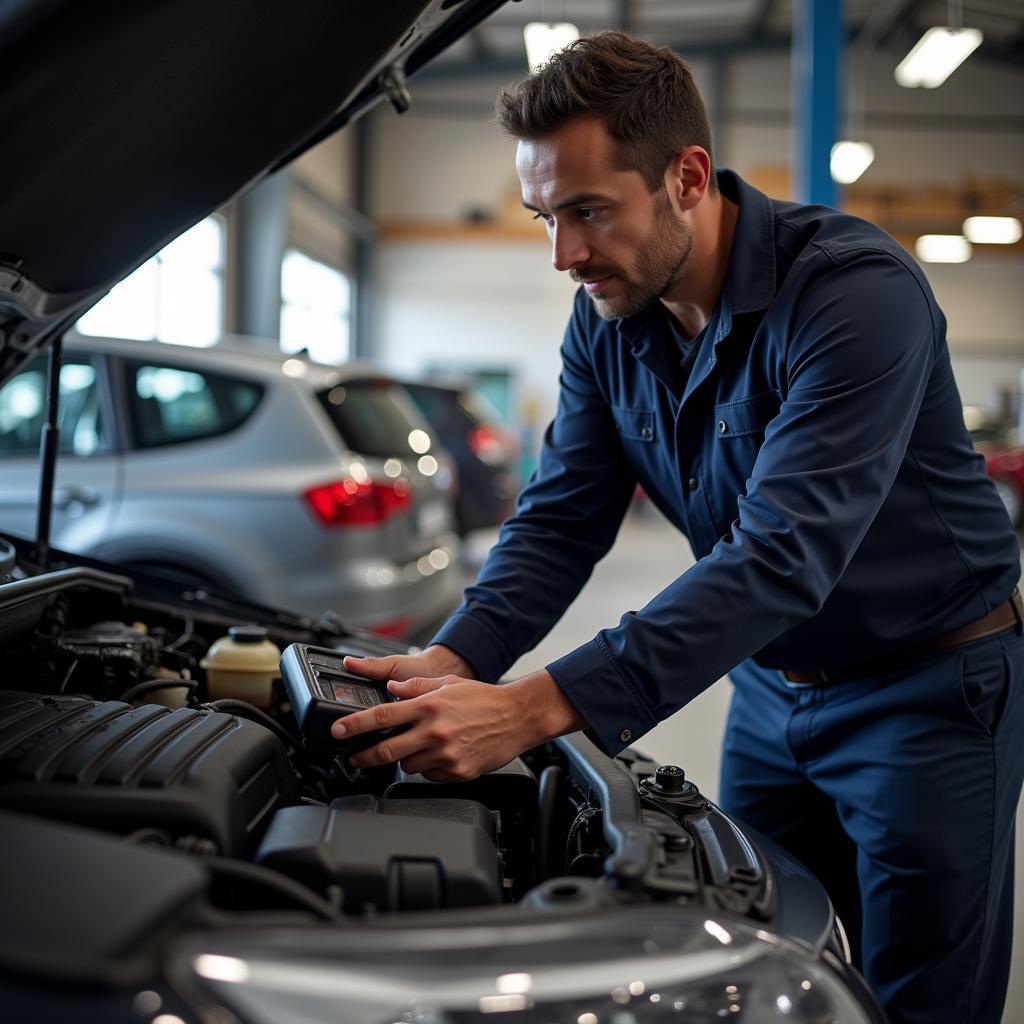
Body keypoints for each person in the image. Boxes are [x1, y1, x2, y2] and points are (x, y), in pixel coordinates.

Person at [332, 31, 1024, 1024]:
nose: (563, 255)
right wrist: (458, 655)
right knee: (764, 960)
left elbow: (784, 554)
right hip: (768, 688)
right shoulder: (606, 319)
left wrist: (533, 707)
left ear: (687, 179)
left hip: (924, 692)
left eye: (586, 212)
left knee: (918, 996)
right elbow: (562, 517)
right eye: (542, 217)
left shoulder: (853, 297)